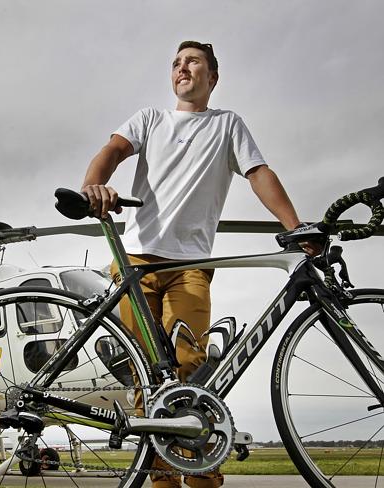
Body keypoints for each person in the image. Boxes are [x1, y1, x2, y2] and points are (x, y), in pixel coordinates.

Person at [81, 41, 311, 488]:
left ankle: (203, 476)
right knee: (147, 375)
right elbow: (112, 150)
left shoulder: (227, 125)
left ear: (212, 77)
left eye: (193, 62)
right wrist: (94, 185)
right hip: (137, 259)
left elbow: (258, 173)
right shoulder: (150, 119)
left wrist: (295, 225)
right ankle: (163, 479)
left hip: (191, 265)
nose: (182, 68)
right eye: (176, 63)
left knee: (190, 368)